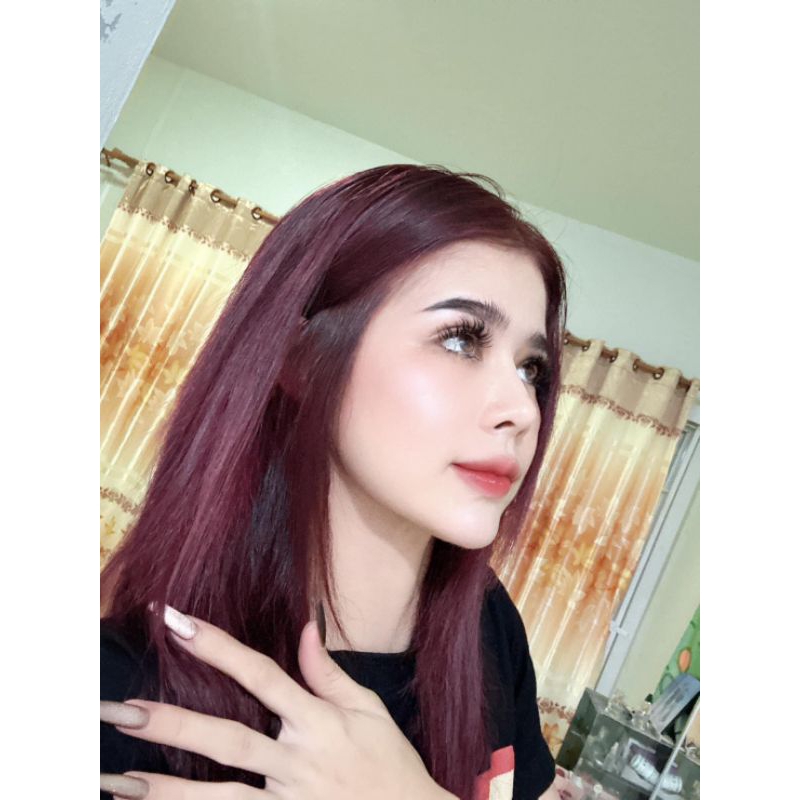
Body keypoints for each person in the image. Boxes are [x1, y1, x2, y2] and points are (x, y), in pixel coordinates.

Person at [100, 163, 567, 800]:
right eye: (460, 340)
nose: (523, 410)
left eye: (532, 369)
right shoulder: (122, 695)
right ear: (304, 357)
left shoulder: (488, 624)